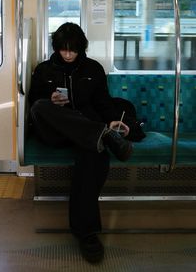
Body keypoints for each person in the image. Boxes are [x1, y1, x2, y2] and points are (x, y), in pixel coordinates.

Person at [29, 22, 133, 263]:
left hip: (87, 134)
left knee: (92, 159)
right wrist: (49, 98)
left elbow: (103, 103)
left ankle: (87, 234)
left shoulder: (93, 69)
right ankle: (102, 135)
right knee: (40, 106)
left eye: (72, 50)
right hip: (55, 131)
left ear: (80, 49)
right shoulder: (44, 70)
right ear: (56, 48)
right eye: (63, 49)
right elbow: (34, 102)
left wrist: (113, 122)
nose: (67, 54)